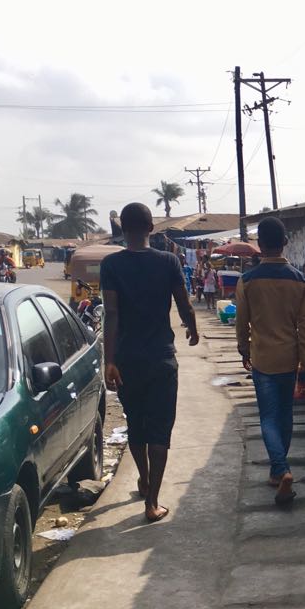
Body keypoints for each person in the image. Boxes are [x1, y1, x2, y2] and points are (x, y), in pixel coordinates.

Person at [101, 203, 199, 523]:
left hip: (127, 359)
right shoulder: (168, 261)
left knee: (137, 425)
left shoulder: (111, 265)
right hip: (161, 358)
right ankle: (152, 502)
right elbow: (184, 303)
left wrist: (109, 361)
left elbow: (111, 314)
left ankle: (142, 479)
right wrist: (192, 327)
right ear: (151, 228)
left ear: (122, 229)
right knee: (159, 431)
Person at [235, 217, 305, 507]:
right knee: (285, 415)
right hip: (289, 356)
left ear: (259, 245)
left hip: (262, 358)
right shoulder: (300, 281)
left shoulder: (247, 281)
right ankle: (276, 470)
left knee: (268, 417)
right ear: (284, 243)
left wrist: (243, 349)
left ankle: (281, 469)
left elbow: (241, 321)